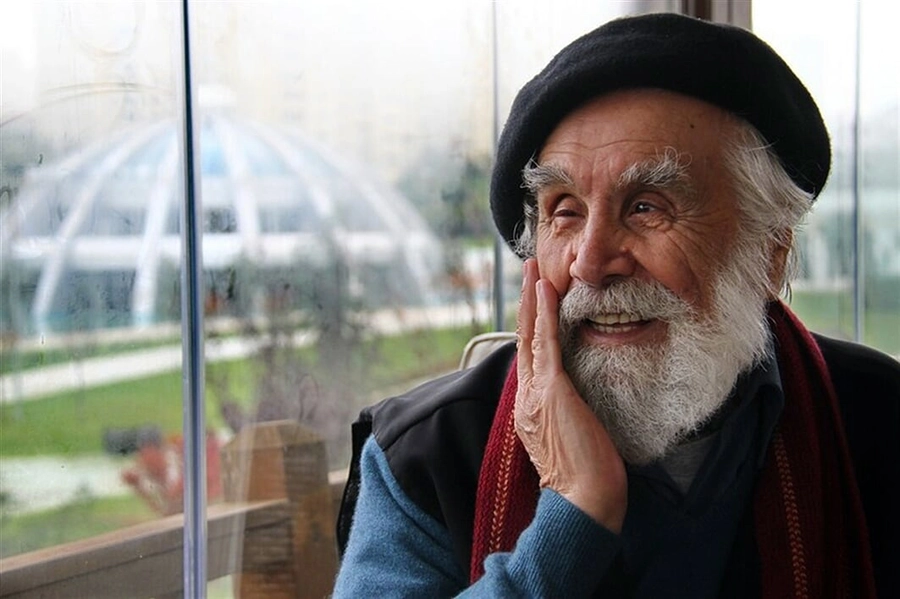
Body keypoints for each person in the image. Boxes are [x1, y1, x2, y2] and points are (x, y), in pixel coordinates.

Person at [333, 12, 900, 598]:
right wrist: (574, 514)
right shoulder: (426, 455)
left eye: (647, 207)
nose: (590, 262)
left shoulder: (879, 418)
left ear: (770, 253)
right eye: (565, 210)